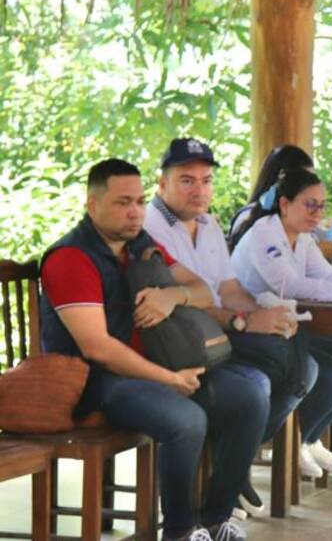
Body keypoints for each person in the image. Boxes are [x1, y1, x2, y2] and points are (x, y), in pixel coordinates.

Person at [39, 159, 266, 541]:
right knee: (186, 419)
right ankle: (179, 531)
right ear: (92, 205)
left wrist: (172, 296)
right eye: (122, 202)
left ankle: (216, 520)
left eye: (140, 201)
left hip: (152, 367)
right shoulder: (71, 258)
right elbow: (97, 348)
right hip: (96, 382)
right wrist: (169, 379)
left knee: (250, 395)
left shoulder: (139, 245)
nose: (135, 212)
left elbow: (202, 290)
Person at [144, 137, 316, 516]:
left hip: (216, 336)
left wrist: (265, 317)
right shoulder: (148, 227)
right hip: (177, 345)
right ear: (162, 184)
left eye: (206, 181)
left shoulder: (208, 224)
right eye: (187, 180)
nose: (199, 190)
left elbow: (229, 289)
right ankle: (224, 490)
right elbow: (187, 305)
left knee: (301, 362)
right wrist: (247, 322)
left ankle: (232, 460)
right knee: (259, 385)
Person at [230, 167, 332, 479]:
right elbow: (290, 285)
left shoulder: (302, 238)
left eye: (322, 206)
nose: (318, 213)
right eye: (310, 205)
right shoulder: (264, 233)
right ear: (284, 204)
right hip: (252, 332)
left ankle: (308, 439)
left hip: (287, 329)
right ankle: (279, 443)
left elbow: (324, 275)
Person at [228, 144, 332, 263]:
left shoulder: (298, 223)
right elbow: (269, 261)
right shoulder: (249, 217)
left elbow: (318, 271)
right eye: (305, 181)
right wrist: (317, 251)